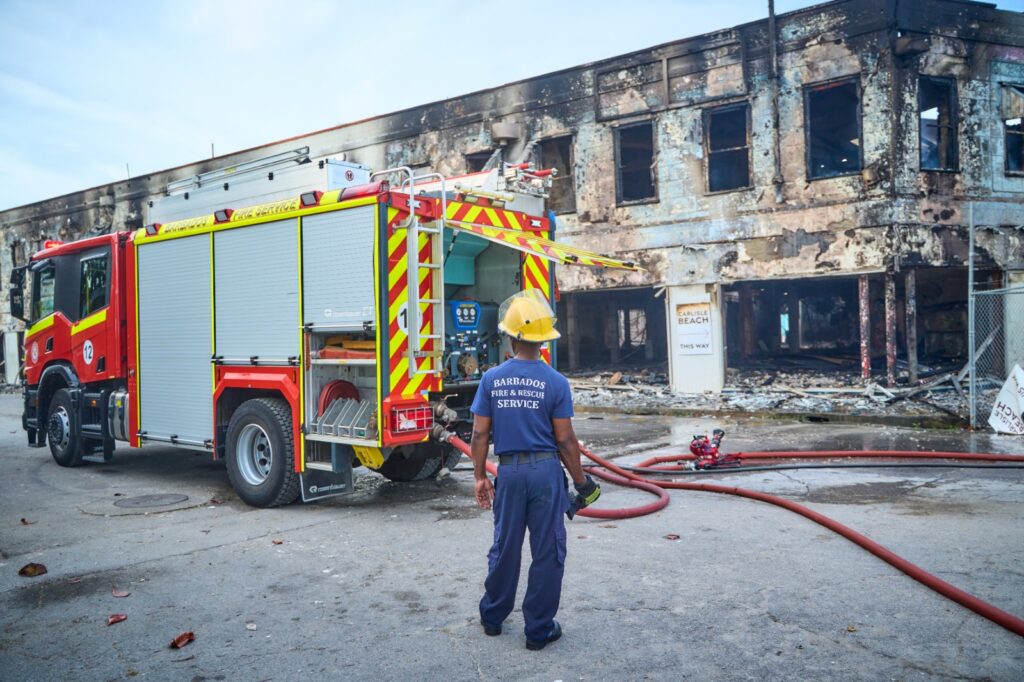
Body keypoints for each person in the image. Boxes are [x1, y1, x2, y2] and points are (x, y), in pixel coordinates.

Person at [469, 290, 601, 650]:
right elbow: (566, 441)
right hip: (545, 474)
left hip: (509, 474)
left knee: (505, 546)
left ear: (511, 338)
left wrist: (480, 476)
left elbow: (479, 434)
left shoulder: (492, 379)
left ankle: (493, 617)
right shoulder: (556, 382)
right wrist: (582, 483)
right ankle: (539, 630)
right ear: (543, 340)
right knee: (547, 551)